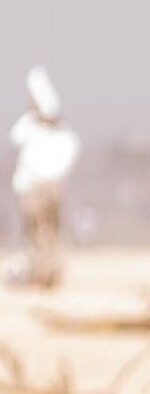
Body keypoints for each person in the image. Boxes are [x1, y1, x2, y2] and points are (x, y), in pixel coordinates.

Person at [10, 71, 77, 289]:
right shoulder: (33, 130)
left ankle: (50, 273)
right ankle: (41, 272)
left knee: (48, 232)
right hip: (35, 189)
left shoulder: (61, 136)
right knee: (38, 233)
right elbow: (16, 136)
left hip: (45, 189)